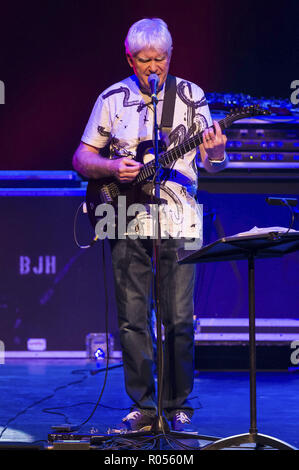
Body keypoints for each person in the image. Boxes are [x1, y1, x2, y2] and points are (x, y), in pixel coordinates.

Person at [72, 18, 227, 432]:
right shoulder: (112, 98)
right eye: (144, 61)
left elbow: (211, 165)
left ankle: (177, 406)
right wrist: (111, 167)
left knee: (178, 317)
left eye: (160, 59)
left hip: (180, 217)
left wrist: (218, 151)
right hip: (123, 214)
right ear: (130, 58)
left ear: (170, 57)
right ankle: (142, 406)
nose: (153, 68)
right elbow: (81, 160)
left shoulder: (192, 97)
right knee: (132, 317)